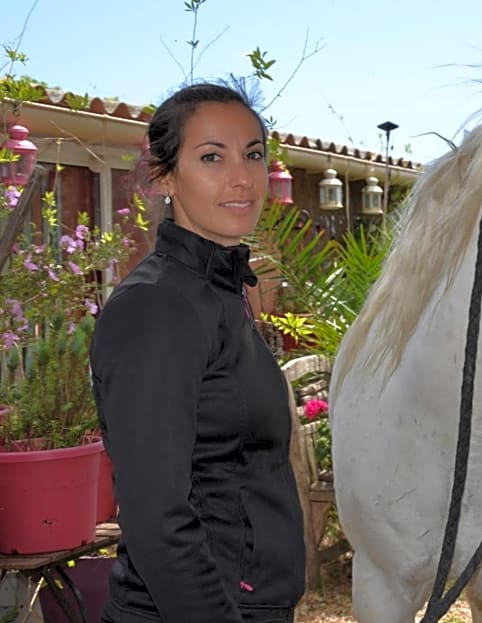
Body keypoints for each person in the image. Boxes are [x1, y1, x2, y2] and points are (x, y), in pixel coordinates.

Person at [90, 82, 305, 623]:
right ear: (165, 176)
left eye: (253, 154)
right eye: (212, 156)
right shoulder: (158, 306)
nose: (243, 177)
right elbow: (157, 519)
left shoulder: (220, 293)